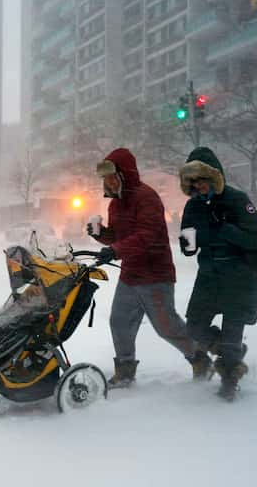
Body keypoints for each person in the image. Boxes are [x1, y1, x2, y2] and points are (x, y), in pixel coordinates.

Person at [88, 147, 210, 388]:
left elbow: (147, 236)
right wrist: (101, 234)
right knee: (120, 321)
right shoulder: (115, 204)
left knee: (166, 327)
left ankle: (200, 359)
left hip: (155, 275)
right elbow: (119, 237)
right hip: (131, 276)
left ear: (125, 174)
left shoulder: (147, 197)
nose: (108, 182)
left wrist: (115, 250)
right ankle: (125, 370)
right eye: (105, 179)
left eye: (112, 176)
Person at [178, 147, 257, 401]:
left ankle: (229, 385)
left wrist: (225, 229)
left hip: (240, 279)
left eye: (202, 181)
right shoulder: (192, 207)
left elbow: (254, 239)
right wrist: (187, 243)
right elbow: (188, 245)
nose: (199, 187)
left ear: (214, 178)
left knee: (231, 336)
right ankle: (230, 352)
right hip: (209, 278)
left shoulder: (237, 200)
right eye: (193, 183)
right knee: (194, 326)